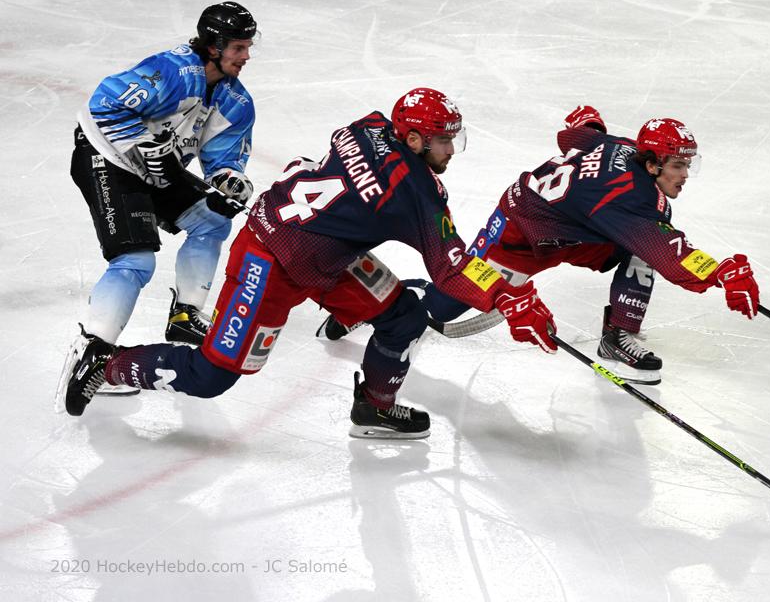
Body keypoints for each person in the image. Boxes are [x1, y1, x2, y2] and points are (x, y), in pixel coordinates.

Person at [56, 88, 558, 441]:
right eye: (443, 141)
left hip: (328, 255)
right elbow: (452, 268)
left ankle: (375, 407)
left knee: (403, 315)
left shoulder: (370, 126)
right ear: (412, 140)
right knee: (212, 377)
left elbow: (311, 165)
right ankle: (111, 366)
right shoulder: (417, 195)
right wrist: (511, 297)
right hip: (269, 257)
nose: (451, 150)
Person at [322, 105, 759, 385]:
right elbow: (671, 252)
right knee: (444, 305)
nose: (685, 174)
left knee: (637, 249)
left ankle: (619, 334)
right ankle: (374, 306)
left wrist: (584, 124)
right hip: (521, 234)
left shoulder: (623, 149)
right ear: (650, 163)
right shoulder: (628, 197)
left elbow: (578, 139)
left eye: (688, 163)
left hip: (576, 232)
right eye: (679, 165)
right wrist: (720, 272)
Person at [65, 0, 258, 374]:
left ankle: (185, 316)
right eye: (239, 47)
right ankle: (90, 356)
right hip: (106, 156)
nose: (247, 55)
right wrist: (146, 147)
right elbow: (105, 104)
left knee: (213, 221)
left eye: (249, 46)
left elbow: (223, 161)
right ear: (213, 46)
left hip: (155, 170)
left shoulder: (235, 101)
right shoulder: (173, 71)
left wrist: (229, 182)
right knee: (135, 260)